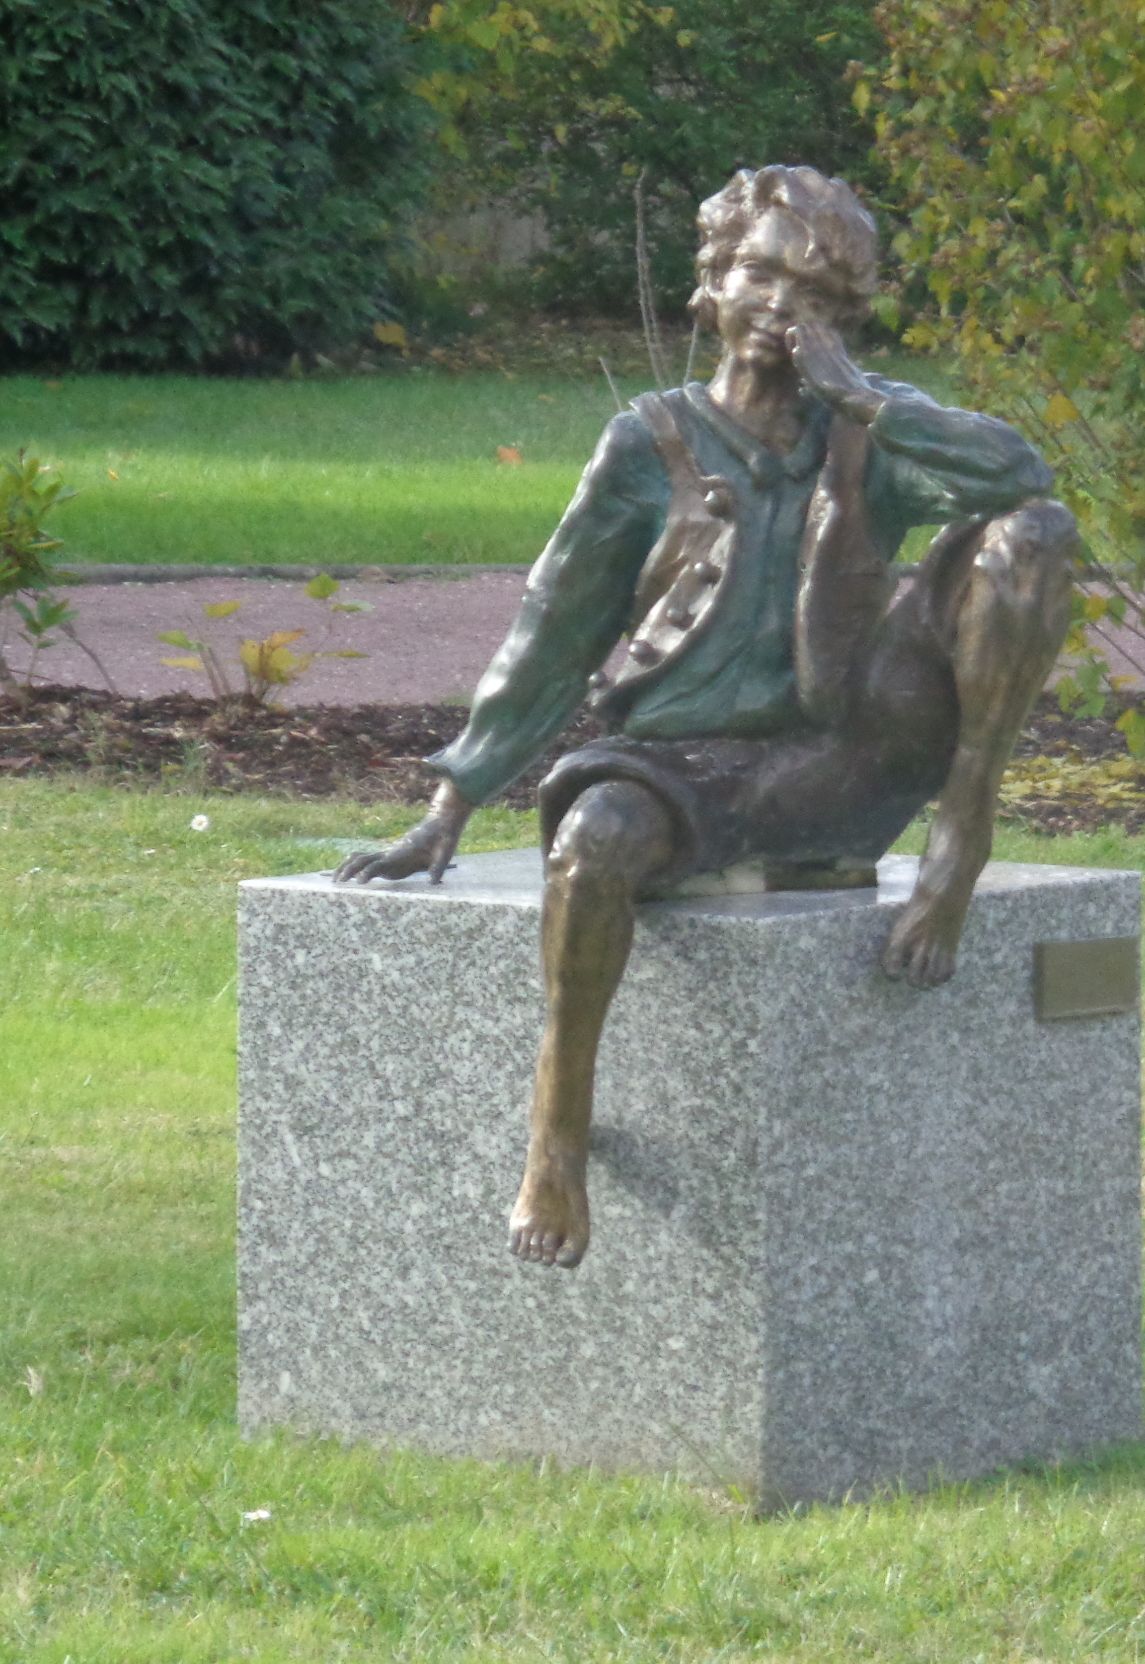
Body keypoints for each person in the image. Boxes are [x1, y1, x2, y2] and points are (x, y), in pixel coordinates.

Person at [335, 165, 1078, 1268]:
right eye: (762, 274)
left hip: (853, 748)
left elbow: (1019, 471)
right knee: (594, 849)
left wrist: (864, 395)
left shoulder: (863, 433)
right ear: (711, 286)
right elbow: (556, 625)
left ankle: (960, 834)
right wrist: (454, 798)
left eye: (818, 292)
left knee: (1036, 533)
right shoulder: (652, 443)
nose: (784, 306)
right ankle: (558, 1129)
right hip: (686, 761)